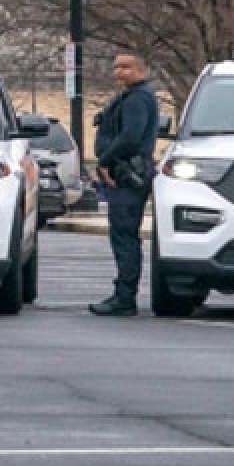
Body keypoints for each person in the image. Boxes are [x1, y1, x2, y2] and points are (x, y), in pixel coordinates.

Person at [88, 53, 160, 317]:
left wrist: (105, 161)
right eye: (116, 66)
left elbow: (130, 137)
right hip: (123, 172)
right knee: (122, 234)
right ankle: (123, 294)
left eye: (126, 67)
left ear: (141, 69)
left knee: (125, 235)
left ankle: (125, 298)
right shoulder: (130, 96)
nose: (119, 71)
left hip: (129, 174)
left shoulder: (138, 98)